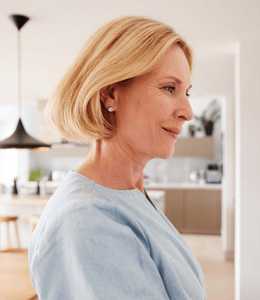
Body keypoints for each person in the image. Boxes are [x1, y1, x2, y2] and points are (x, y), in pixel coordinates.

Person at [28, 16, 206, 299]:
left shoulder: (130, 196)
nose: (187, 111)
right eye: (169, 88)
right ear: (110, 94)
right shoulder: (86, 221)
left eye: (186, 92)